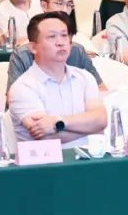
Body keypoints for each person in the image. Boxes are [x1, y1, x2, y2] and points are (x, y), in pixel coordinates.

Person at [8, 13, 106, 146]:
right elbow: (45, 136)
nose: (60, 42)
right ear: (33, 47)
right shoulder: (22, 88)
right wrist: (92, 129)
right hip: (45, 158)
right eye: (52, 36)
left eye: (64, 35)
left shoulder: (85, 77)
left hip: (89, 155)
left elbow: (101, 120)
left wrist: (59, 122)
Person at [6, 0, 105, 92]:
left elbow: (101, 89)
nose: (65, 10)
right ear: (44, 5)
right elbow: (12, 96)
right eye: (59, 3)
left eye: (69, 5)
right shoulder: (23, 54)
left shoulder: (77, 50)